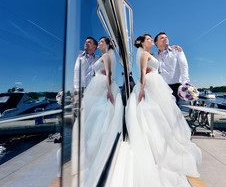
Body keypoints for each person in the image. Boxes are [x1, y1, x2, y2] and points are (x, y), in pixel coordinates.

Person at [120, 34, 201, 187]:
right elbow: (143, 70)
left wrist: (185, 85)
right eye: (151, 39)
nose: (164, 39)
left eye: (165, 37)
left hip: (166, 86)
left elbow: (184, 68)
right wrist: (142, 88)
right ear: (152, 43)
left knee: (167, 116)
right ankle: (158, 147)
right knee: (156, 116)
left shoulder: (174, 51)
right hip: (153, 86)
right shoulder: (149, 53)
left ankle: (166, 142)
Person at [72, 37, 123, 187]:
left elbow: (108, 74)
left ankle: (95, 148)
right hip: (95, 86)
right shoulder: (101, 56)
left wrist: (109, 91)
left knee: (97, 114)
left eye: (102, 42)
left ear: (107, 45)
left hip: (101, 86)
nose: (100, 43)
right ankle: (91, 146)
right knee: (93, 114)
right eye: (98, 42)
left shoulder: (106, 56)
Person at [153, 32, 190, 104]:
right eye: (162, 38)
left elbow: (184, 66)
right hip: (160, 87)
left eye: (166, 37)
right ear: (156, 43)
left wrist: (185, 83)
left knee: (173, 111)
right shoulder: (154, 56)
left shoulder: (177, 51)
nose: (165, 38)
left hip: (175, 87)